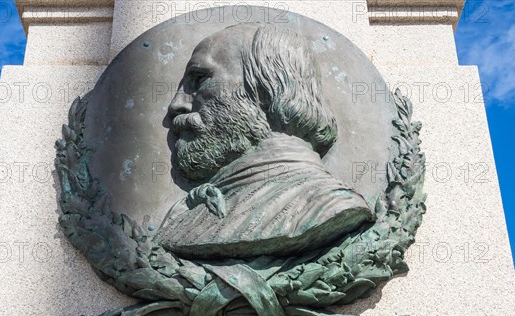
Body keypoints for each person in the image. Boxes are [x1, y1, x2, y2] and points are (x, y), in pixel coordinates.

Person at [154, 23, 374, 258]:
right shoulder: (194, 210)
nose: (177, 104)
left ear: (268, 89)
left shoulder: (327, 208)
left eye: (199, 79)